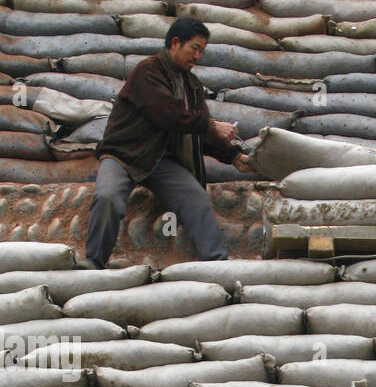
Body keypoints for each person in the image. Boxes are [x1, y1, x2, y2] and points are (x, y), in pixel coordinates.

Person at [85, 17, 254, 269]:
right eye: (194, 48)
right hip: (124, 154)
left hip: (161, 160)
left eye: (202, 51)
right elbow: (167, 113)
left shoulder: (192, 85)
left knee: (195, 198)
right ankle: (94, 263)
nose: (197, 56)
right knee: (108, 197)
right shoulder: (148, 71)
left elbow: (199, 130)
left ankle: (217, 264)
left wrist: (233, 156)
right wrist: (210, 125)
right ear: (175, 43)